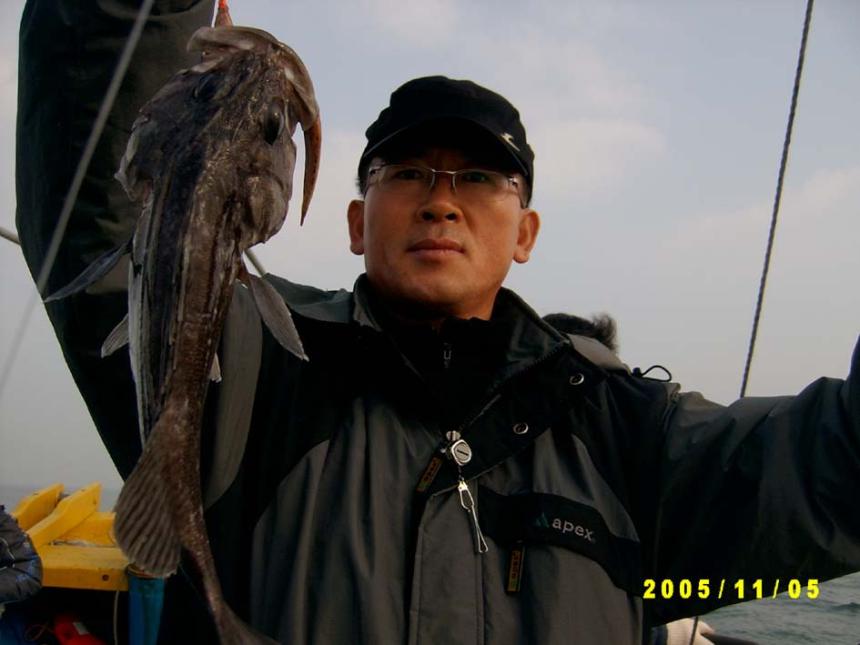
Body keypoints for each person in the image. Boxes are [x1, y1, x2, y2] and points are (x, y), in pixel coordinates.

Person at [15, 1, 860, 644]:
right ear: (356, 221)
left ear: (525, 232)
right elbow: (102, 219)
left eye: (481, 178)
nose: (442, 201)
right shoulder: (250, 363)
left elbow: (834, 469)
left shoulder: (625, 428)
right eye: (409, 172)